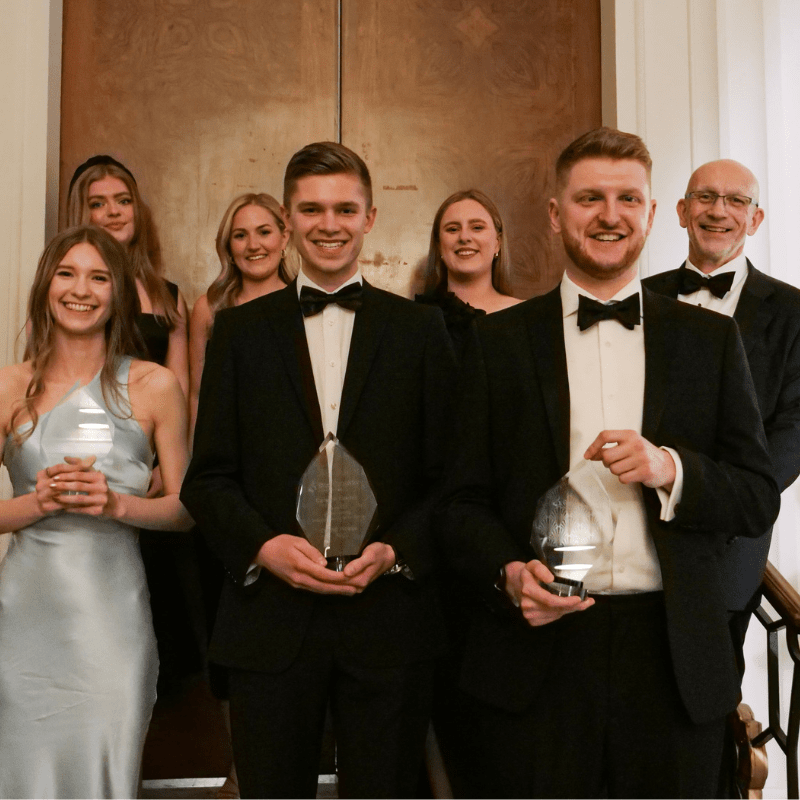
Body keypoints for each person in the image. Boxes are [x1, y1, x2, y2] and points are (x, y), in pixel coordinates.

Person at [439, 128, 780, 798]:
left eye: (628, 198)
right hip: (537, 652)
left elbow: (755, 494)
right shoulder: (498, 341)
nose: (610, 214)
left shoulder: (710, 339)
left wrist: (671, 470)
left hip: (673, 655)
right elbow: (458, 503)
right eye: (590, 197)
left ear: (653, 214)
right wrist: (509, 575)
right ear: (556, 213)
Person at [181, 141, 456, 798]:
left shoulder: (422, 331)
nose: (328, 223)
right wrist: (263, 547)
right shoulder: (239, 333)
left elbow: (452, 478)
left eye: (344, 208)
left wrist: (394, 551)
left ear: (370, 216)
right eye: (311, 209)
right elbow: (208, 479)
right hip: (269, 623)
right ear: (288, 218)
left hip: (389, 620)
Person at [0, 225, 192, 799]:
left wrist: (116, 503)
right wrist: (36, 502)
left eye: (98, 276)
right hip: (24, 619)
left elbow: (184, 509)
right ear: (45, 286)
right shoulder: (9, 386)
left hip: (114, 619)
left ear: (117, 294)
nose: (80, 289)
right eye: (66, 273)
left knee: (105, 773)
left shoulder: (154, 385)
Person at [644, 159, 800, 647]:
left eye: (737, 200)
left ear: (755, 219)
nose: (719, 211)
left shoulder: (795, 312)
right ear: (682, 210)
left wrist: (723, 501)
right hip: (637, 531)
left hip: (730, 545)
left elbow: (794, 430)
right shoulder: (639, 299)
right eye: (705, 197)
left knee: (711, 704)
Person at [68, 155, 200, 697]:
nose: (112, 211)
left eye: (121, 199)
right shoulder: (69, 293)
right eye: (97, 203)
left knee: (158, 616)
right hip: (89, 469)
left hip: (151, 479)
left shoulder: (166, 295)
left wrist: (165, 471)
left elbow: (183, 391)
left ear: (137, 209)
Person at [189, 192, 291, 437]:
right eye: (240, 235)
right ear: (229, 246)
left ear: (284, 237)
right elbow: (197, 395)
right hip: (224, 446)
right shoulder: (209, 308)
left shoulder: (304, 305)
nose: (253, 245)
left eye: (264, 232)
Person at [416, 189, 520, 357]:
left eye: (477, 227)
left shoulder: (526, 316)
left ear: (497, 243)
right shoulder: (415, 319)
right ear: (438, 245)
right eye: (452, 229)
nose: (464, 237)